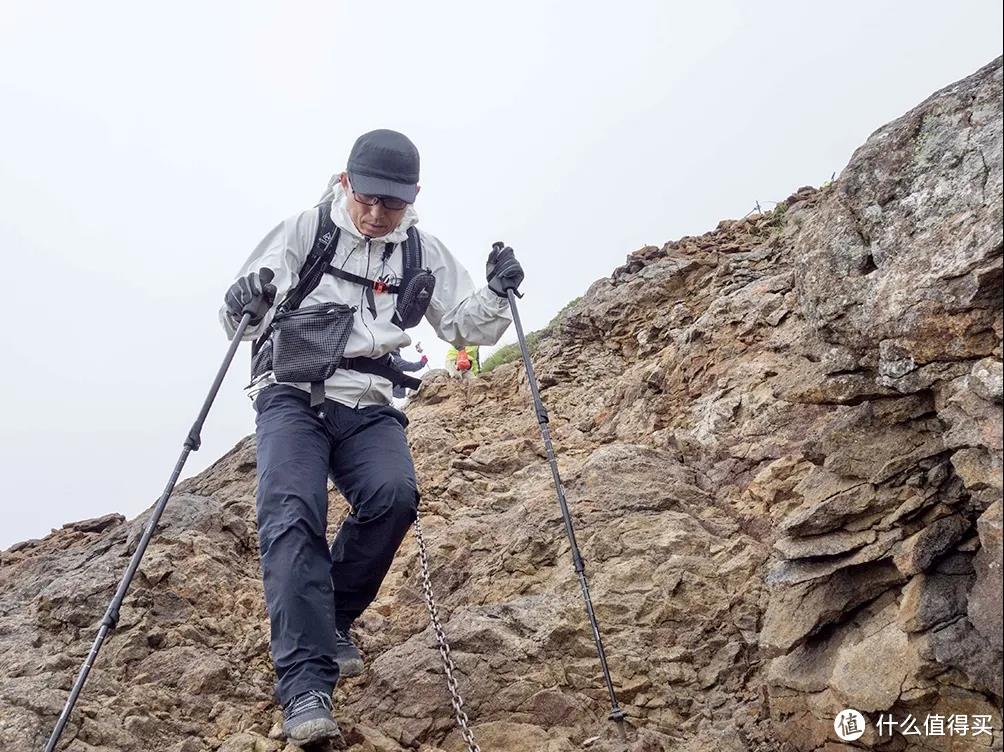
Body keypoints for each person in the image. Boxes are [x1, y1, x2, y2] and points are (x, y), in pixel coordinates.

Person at [220, 129, 524, 746]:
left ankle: (329, 616)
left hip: (369, 400)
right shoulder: (305, 231)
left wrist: (495, 292)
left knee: (395, 496)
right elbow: (237, 313)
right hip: (292, 394)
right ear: (344, 183)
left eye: (393, 203)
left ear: (413, 198)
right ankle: (305, 683)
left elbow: (463, 325)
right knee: (291, 512)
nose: (378, 213)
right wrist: (242, 300)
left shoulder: (421, 250)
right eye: (367, 199)